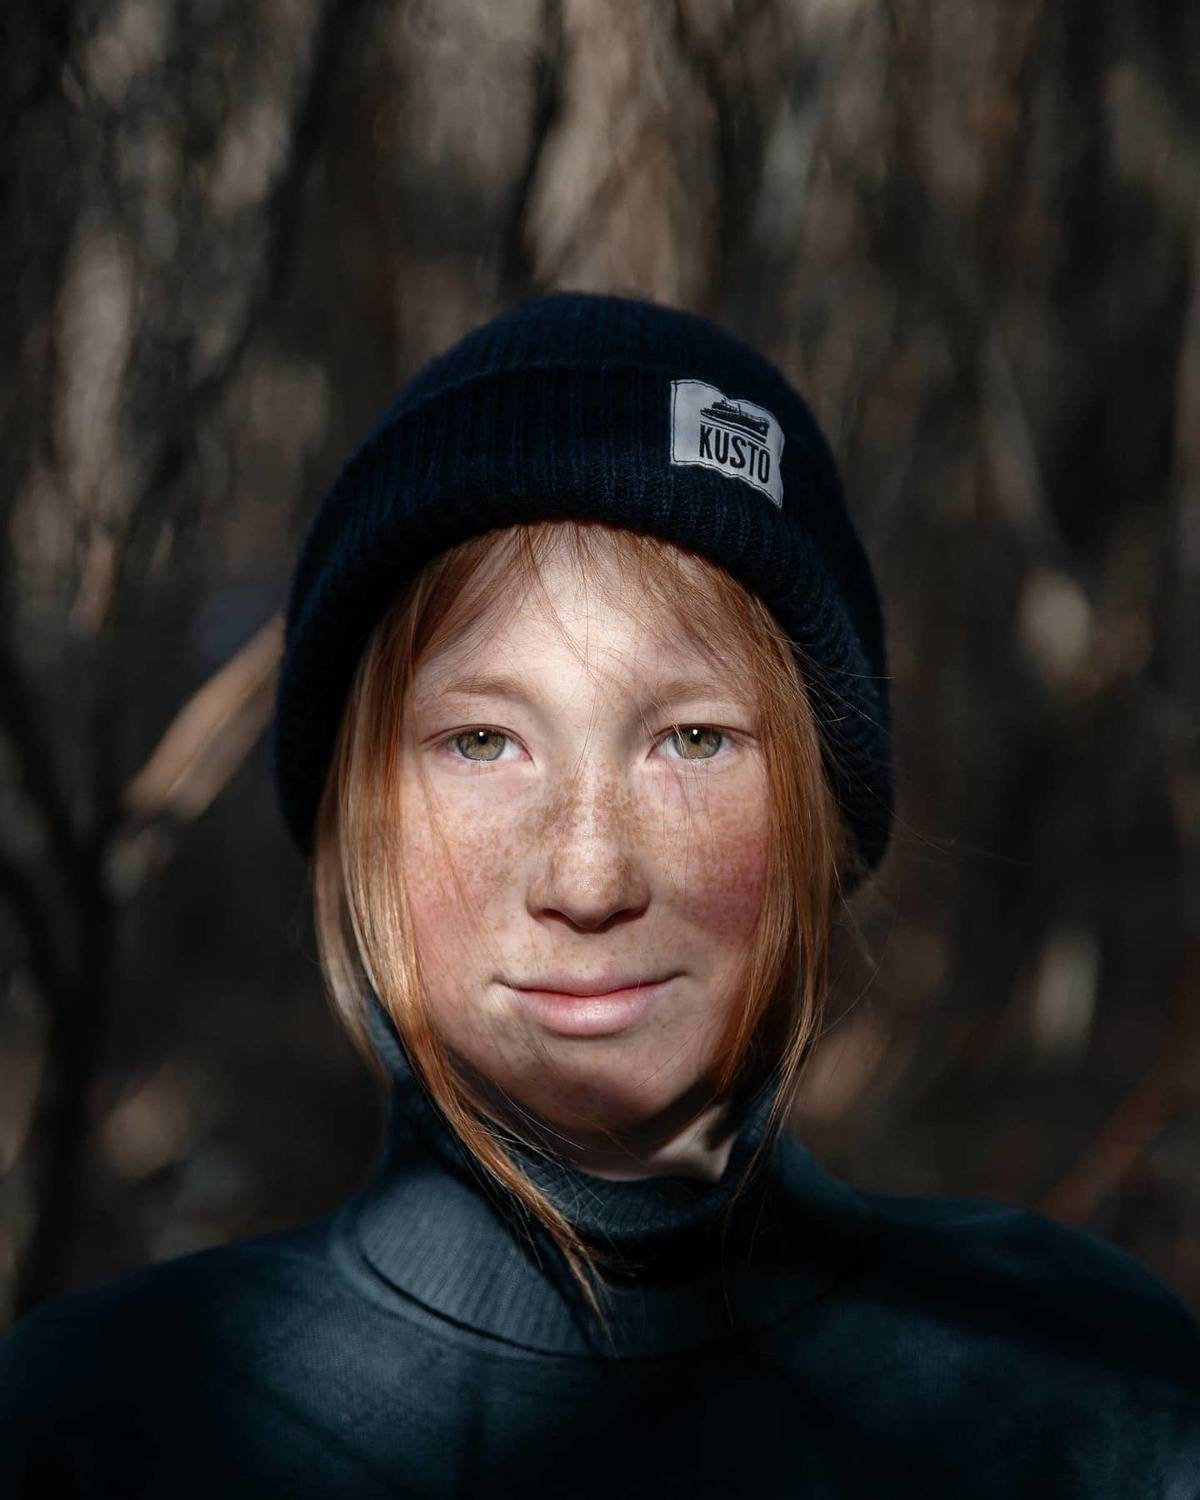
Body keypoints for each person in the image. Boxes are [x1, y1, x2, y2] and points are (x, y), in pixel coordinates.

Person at [2, 290, 1197, 1496]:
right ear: (358, 819)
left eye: (692, 739)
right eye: (482, 741)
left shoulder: (1088, 1393)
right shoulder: (100, 1428)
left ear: (818, 814)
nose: (589, 878)